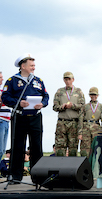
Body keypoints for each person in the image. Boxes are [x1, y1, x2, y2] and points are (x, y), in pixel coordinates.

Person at [2, 53, 49, 184]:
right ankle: (15, 177)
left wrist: (43, 104)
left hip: (35, 117)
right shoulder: (12, 81)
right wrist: (18, 102)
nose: (34, 68)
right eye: (31, 65)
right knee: (17, 146)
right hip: (19, 116)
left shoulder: (38, 81)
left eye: (34, 65)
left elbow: (46, 96)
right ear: (23, 66)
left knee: (36, 147)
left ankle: (38, 177)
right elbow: (5, 97)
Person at [53, 72, 85, 156]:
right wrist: (62, 107)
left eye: (69, 79)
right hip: (62, 122)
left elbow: (82, 106)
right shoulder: (59, 91)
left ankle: (72, 168)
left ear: (73, 80)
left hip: (74, 123)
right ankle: (60, 167)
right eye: (66, 79)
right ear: (63, 80)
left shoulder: (79, 91)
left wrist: (73, 106)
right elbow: (54, 107)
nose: (67, 81)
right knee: (60, 146)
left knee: (73, 147)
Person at [78, 87, 102, 157]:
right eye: (92, 95)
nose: (93, 96)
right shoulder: (85, 106)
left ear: (97, 95)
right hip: (86, 128)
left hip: (96, 128)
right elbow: (80, 119)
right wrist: (80, 132)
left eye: (95, 95)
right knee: (85, 150)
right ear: (89, 95)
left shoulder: (101, 106)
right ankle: (85, 166)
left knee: (97, 148)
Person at [0, 71, 11, 160]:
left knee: (2, 149)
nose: (2, 79)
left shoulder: (4, 91)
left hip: (6, 120)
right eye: (0, 77)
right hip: (1, 120)